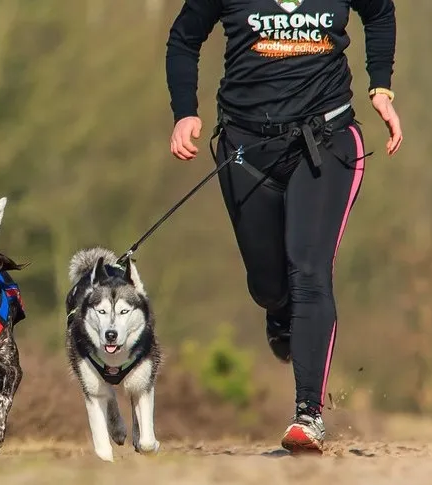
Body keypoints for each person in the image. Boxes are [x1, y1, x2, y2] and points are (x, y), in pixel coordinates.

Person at [166, 0, 400, 453]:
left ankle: (307, 414)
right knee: (269, 286)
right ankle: (281, 312)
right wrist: (184, 111)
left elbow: (380, 12)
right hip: (246, 148)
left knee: (309, 271)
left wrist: (381, 86)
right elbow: (184, 39)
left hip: (327, 141)